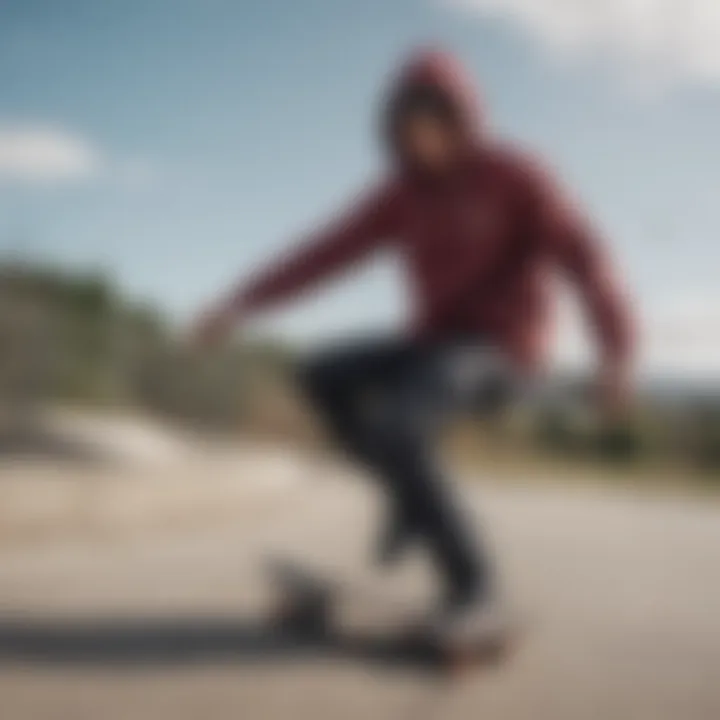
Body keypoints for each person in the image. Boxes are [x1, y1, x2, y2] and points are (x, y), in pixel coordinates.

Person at [192, 49, 634, 641]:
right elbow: (322, 253)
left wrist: (616, 354)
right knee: (321, 374)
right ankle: (407, 495)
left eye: (434, 128)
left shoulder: (517, 175)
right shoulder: (400, 196)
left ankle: (475, 590)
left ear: (463, 121)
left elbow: (587, 258)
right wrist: (241, 303)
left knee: (398, 428)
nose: (422, 145)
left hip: (503, 351)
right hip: (433, 345)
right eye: (407, 133)